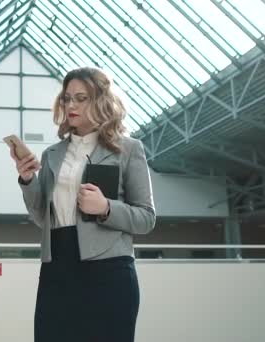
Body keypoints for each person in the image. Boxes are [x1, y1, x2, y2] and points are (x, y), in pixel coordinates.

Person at [9, 67, 156, 342]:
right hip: (57, 269)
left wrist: (106, 208)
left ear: (100, 101)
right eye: (67, 98)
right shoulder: (52, 154)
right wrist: (28, 179)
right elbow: (43, 217)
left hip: (109, 272)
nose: (71, 105)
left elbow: (146, 218)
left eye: (81, 98)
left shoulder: (128, 149)